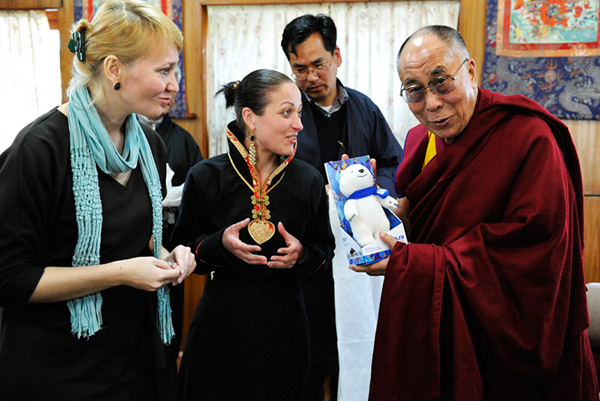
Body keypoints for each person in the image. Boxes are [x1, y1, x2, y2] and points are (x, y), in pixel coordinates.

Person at [352, 25, 599, 400]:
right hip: (444, 322)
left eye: (441, 82)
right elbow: (429, 226)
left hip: (507, 336)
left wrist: (416, 263)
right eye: (415, 90)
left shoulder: (529, 137)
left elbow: (534, 254)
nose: (432, 104)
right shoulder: (420, 140)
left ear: (469, 71)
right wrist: (386, 214)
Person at [0, 1, 196, 400]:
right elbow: (9, 278)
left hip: (132, 362)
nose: (174, 84)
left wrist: (169, 255)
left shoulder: (151, 147)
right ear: (113, 69)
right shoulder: (40, 149)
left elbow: (133, 239)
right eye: (163, 71)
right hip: (57, 370)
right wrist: (120, 273)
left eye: (173, 69)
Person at [172, 69, 335, 401]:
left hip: (287, 326)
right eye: (286, 112)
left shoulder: (308, 180)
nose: (299, 125)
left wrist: (302, 254)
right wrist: (219, 244)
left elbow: (324, 253)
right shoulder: (205, 177)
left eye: (299, 113)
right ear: (250, 118)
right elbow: (182, 249)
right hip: (221, 326)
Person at [281, 14, 402, 400]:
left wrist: (378, 194)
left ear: (337, 56)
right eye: (300, 69)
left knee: (359, 343)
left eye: (319, 65)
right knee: (310, 354)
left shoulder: (364, 108)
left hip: (360, 250)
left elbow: (391, 162)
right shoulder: (287, 115)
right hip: (310, 253)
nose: (311, 77)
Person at [138, 70, 204, 368]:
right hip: (129, 251)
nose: (170, 89)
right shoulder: (125, 133)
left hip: (170, 247)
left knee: (168, 334)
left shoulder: (184, 140)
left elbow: (200, 199)